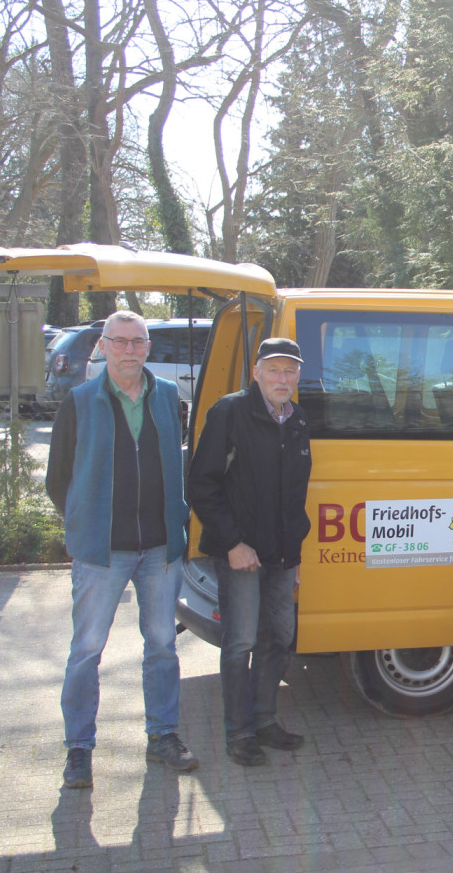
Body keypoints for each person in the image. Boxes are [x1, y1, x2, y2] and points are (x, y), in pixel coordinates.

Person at [46, 311, 197, 789]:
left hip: (159, 549)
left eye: (138, 342)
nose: (130, 350)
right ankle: (78, 750)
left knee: (162, 646)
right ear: (103, 347)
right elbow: (59, 478)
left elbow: (179, 468)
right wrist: (81, 524)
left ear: (148, 348)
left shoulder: (171, 398)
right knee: (86, 650)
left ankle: (163, 737)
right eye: (120, 341)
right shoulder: (79, 401)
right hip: (100, 551)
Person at [189, 338, 313, 767]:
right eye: (274, 369)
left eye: (290, 371)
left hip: (281, 554)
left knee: (278, 637)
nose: (283, 378)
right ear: (256, 372)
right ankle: (239, 733)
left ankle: (264, 721)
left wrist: (294, 557)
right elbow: (201, 485)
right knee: (240, 642)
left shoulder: (297, 419)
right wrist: (232, 544)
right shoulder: (230, 412)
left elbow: (295, 495)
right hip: (240, 551)